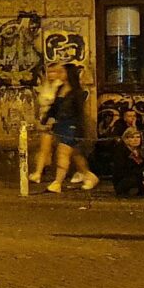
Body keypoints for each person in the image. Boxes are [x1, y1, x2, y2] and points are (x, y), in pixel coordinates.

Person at [40, 63, 99, 193]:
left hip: (71, 126)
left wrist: (79, 129)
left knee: (63, 153)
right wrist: (46, 119)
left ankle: (57, 182)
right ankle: (89, 176)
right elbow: (54, 107)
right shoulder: (60, 88)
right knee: (75, 155)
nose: (59, 74)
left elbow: (79, 113)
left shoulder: (77, 92)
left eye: (62, 72)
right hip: (60, 125)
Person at [111, 127, 144, 197]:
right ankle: (142, 188)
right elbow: (121, 170)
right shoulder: (121, 150)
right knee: (134, 180)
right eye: (132, 137)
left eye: (138, 137)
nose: (136, 140)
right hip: (125, 179)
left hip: (140, 177)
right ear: (126, 139)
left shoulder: (141, 151)